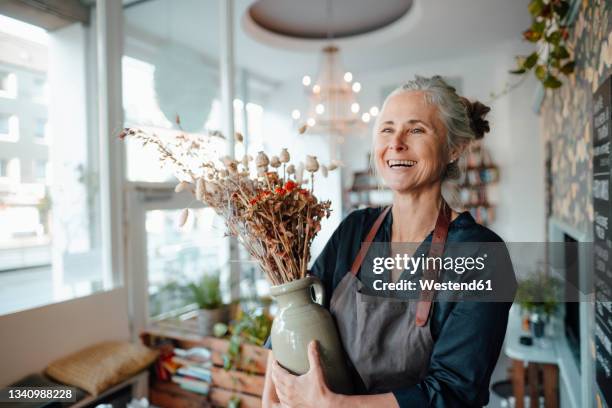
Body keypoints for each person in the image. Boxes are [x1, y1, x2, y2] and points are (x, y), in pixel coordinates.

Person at [262, 75, 516, 408]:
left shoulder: (483, 256)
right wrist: (270, 399)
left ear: (454, 148)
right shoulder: (354, 230)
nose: (396, 143)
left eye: (416, 130)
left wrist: (334, 405)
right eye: (386, 129)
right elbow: (296, 311)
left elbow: (455, 391)